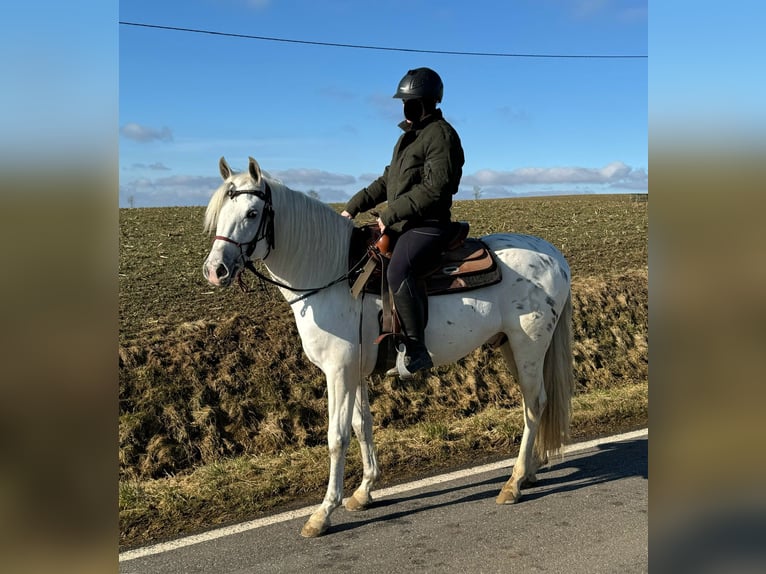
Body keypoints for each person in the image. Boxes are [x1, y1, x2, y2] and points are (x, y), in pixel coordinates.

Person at [341, 67, 465, 378]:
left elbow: (435, 189)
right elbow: (387, 182)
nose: (406, 108)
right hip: (405, 222)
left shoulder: (441, 136)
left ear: (428, 103)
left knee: (399, 268)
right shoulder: (406, 139)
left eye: (411, 102)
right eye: (404, 102)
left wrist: (390, 214)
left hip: (429, 223)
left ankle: (417, 350)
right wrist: (351, 209)